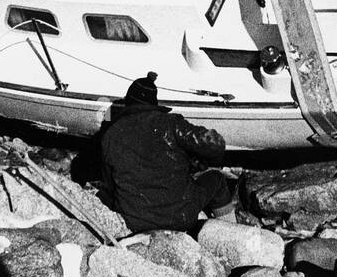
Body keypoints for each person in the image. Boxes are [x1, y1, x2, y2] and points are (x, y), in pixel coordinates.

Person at [99, 72, 235, 233]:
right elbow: (215, 144)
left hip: (133, 221)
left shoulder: (111, 134)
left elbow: (109, 184)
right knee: (217, 179)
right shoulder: (171, 124)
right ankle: (231, 233)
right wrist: (201, 162)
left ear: (129, 102)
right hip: (179, 217)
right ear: (153, 102)